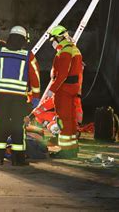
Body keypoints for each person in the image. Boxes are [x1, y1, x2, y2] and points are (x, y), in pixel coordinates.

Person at [0, 26, 41, 166]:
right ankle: (18, 160)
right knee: (18, 127)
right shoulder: (28, 55)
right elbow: (35, 77)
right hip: (19, 99)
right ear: (23, 39)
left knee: (0, 126)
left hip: (1, 97)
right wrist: (35, 97)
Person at [46, 25, 83, 158]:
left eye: (53, 39)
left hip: (64, 90)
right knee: (71, 119)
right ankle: (72, 148)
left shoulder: (65, 51)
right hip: (72, 88)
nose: (53, 43)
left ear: (59, 37)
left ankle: (66, 151)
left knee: (63, 120)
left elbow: (62, 74)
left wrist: (52, 89)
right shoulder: (74, 48)